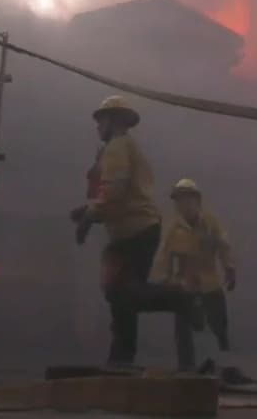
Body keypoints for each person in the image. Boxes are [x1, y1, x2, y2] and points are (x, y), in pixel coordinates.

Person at [71, 96, 201, 371]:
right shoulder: (127, 147)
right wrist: (88, 209)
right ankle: (121, 359)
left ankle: (177, 299)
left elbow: (115, 191)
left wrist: (90, 216)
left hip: (134, 232)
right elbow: (121, 192)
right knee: (122, 297)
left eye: (101, 121)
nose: (98, 127)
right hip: (138, 229)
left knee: (122, 295)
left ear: (113, 121)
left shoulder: (117, 147)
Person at [151, 179, 237, 354]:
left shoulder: (210, 223)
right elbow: (163, 255)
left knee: (219, 322)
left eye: (188, 199)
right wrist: (163, 280)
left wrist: (229, 267)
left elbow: (224, 244)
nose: (184, 204)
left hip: (209, 281)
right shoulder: (174, 229)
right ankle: (186, 366)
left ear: (197, 200)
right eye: (180, 200)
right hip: (185, 284)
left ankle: (226, 354)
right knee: (183, 328)